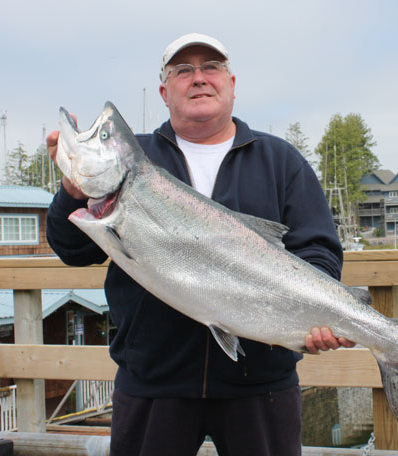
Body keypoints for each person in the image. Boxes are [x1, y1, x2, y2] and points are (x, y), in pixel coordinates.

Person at [46, 33, 354, 456]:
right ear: (165, 91)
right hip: (154, 382)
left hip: (260, 385)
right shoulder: (138, 161)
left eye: (211, 67)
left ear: (231, 83)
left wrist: (319, 317)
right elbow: (71, 250)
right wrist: (74, 190)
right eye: (183, 70)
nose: (199, 78)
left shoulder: (281, 161)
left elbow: (318, 252)